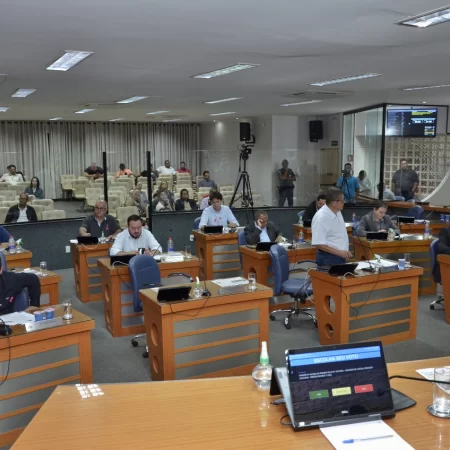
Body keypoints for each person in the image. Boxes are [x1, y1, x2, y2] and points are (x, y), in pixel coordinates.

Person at [312, 188, 352, 266]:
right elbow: (318, 243)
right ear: (334, 203)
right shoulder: (321, 217)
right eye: (342, 200)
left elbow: (340, 235)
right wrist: (339, 252)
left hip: (340, 256)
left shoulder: (338, 212)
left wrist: (345, 250)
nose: (344, 202)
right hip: (328, 258)